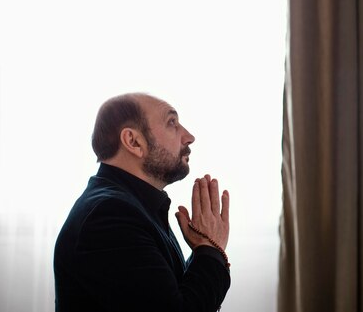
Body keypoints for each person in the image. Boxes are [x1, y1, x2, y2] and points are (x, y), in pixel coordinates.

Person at [54, 92, 231, 312]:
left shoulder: (132, 206)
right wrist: (210, 250)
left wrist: (203, 251)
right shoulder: (110, 216)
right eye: (172, 123)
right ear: (133, 141)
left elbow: (167, 295)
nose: (189, 136)